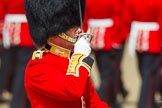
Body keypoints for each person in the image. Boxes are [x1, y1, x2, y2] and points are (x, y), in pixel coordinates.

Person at [24, 0, 109, 108]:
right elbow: (72, 91)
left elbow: (93, 102)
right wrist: (80, 57)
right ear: (55, 31)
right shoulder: (38, 68)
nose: (79, 30)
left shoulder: (72, 60)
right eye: (71, 26)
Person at [83, 0, 127, 107]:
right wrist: (117, 40)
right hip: (108, 37)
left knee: (103, 72)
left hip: (92, 36)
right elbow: (118, 17)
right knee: (107, 75)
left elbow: (85, 18)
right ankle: (101, 100)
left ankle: (111, 100)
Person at [120, 0, 162, 107]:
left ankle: (150, 101)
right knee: (148, 74)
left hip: (138, 38)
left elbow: (126, 19)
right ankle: (144, 103)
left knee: (144, 72)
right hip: (154, 39)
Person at [0, 0, 35, 107]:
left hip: (8, 30)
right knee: (22, 72)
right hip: (27, 31)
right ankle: (17, 103)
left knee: (7, 66)